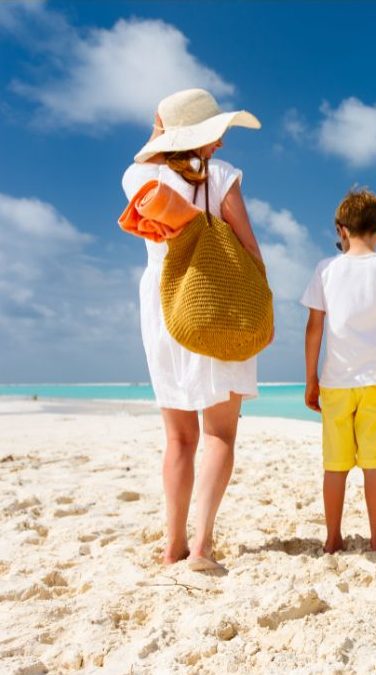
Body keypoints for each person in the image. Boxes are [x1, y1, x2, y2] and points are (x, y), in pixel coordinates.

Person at [121, 88, 265, 572]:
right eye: (213, 135)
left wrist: (160, 133)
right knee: (219, 434)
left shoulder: (139, 176)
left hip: (166, 310)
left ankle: (173, 543)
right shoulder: (222, 178)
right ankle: (202, 546)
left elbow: (147, 159)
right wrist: (260, 299)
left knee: (178, 437)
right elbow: (248, 248)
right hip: (219, 307)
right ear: (196, 135)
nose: (220, 146)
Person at [302, 188, 376, 553]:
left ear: (341, 230)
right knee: (374, 464)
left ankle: (333, 538)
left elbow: (314, 328)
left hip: (336, 384)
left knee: (335, 465)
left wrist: (311, 377)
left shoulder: (326, 269)